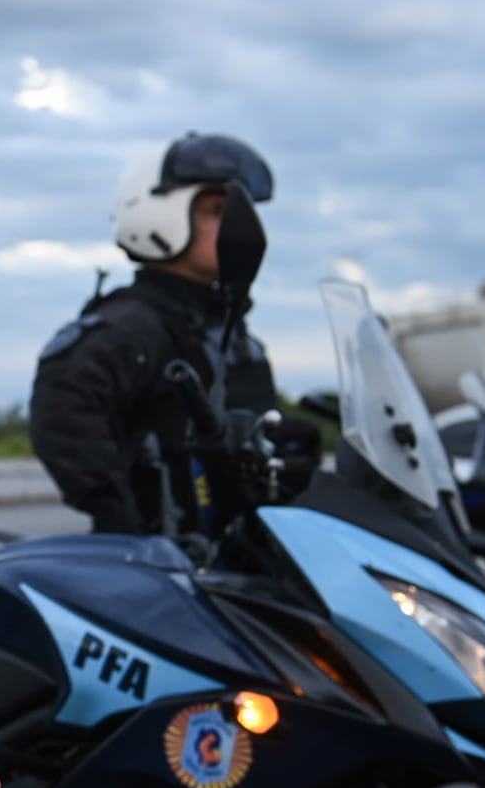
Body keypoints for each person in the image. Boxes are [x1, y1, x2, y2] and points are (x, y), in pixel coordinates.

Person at [29, 133, 306, 539]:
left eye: (238, 211)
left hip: (243, 561)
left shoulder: (233, 334)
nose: (235, 224)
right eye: (215, 210)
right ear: (158, 214)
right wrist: (122, 522)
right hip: (163, 573)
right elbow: (62, 416)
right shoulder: (129, 327)